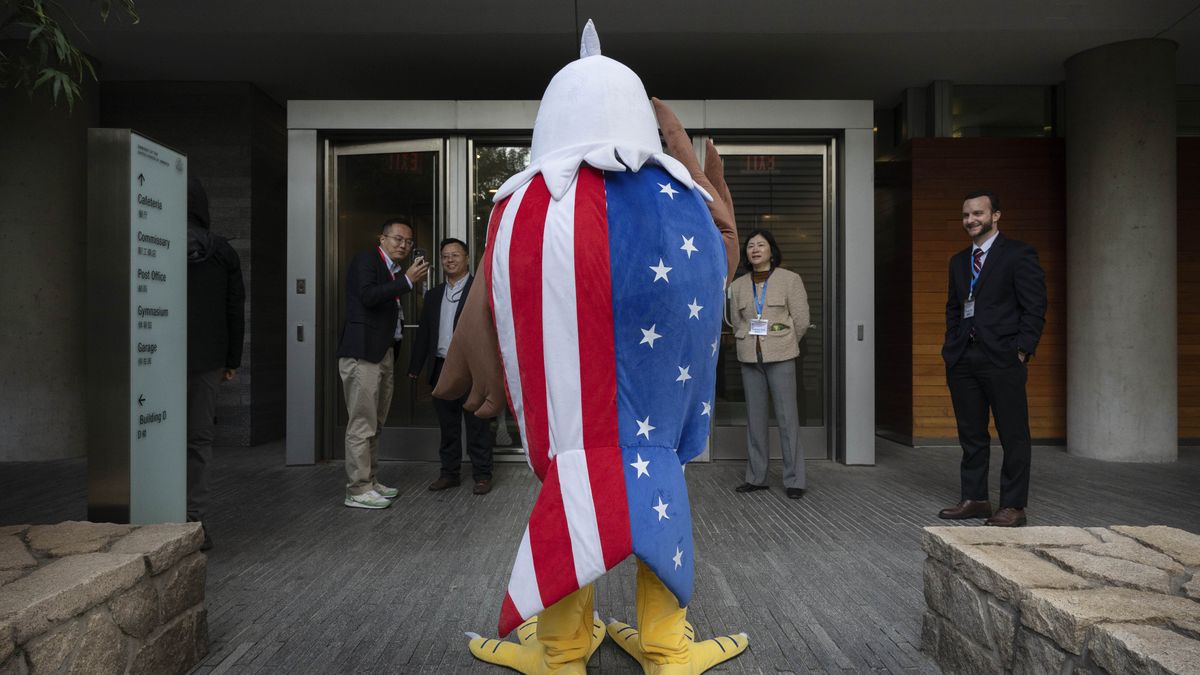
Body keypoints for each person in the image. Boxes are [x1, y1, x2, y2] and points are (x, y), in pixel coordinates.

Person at [939, 190, 1046, 527]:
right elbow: (954, 308)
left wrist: (1022, 350)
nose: (971, 220)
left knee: (1013, 434)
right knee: (971, 434)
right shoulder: (958, 261)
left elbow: (1035, 306)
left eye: (978, 214)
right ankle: (976, 499)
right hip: (964, 359)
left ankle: (1013, 506)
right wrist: (952, 345)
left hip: (1003, 358)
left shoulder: (1017, 254)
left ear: (996, 215)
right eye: (966, 215)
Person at [336, 218, 430, 509]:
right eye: (397, 239)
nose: (403, 245)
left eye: (408, 241)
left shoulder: (394, 270)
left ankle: (370, 480)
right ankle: (357, 488)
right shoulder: (366, 261)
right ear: (382, 238)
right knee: (362, 423)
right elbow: (367, 296)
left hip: (383, 353)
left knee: (375, 422)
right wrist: (405, 282)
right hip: (363, 353)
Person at [185, 176, 245, 551]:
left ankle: (150, 517)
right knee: (197, 440)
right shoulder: (222, 251)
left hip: (152, 359)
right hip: (206, 361)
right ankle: (193, 520)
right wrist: (230, 360)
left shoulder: (148, 244)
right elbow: (234, 309)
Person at [728, 229, 810, 500]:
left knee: (788, 419)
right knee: (755, 419)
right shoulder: (738, 285)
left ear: (771, 251)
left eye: (761, 245)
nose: (755, 249)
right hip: (750, 358)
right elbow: (737, 322)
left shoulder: (790, 279)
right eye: (751, 245)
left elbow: (800, 320)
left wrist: (783, 342)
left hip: (781, 356)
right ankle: (756, 477)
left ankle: (794, 480)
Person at [408, 238, 494, 495]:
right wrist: (415, 367)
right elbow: (425, 334)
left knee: (478, 425)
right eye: (445, 256)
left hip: (473, 369)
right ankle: (449, 473)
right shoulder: (434, 295)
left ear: (467, 258)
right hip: (441, 368)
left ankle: (482, 475)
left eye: (455, 255)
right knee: (448, 426)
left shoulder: (481, 291)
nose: (450, 260)